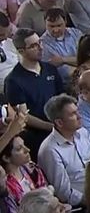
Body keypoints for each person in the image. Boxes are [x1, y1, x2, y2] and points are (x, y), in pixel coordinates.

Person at [4, 28, 64, 157]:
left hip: (61, 126)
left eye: (40, 42)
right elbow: (24, 116)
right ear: (21, 51)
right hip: (38, 137)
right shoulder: (14, 80)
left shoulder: (50, 69)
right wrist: (52, 127)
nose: (40, 48)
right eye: (33, 46)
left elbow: (62, 97)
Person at [38, 94, 90, 211]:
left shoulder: (83, 132)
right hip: (83, 204)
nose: (79, 116)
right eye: (73, 114)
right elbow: (64, 193)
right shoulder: (50, 150)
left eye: (77, 111)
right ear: (59, 123)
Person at [1, 135, 49, 213]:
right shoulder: (5, 185)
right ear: (6, 158)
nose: (27, 150)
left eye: (24, 145)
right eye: (19, 149)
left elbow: (47, 193)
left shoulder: (31, 168)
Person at [40, 8, 80, 82]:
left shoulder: (76, 33)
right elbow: (66, 72)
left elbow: (87, 57)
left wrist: (63, 60)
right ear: (45, 24)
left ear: (65, 22)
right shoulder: (43, 44)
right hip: (66, 82)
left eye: (59, 25)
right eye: (51, 26)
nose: (55, 30)